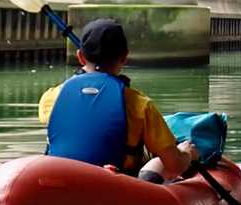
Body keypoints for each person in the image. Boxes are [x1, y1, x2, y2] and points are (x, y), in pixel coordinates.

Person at [38, 18, 194, 183]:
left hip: (61, 182)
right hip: (115, 186)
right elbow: (175, 165)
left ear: (80, 57)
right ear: (124, 57)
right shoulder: (140, 104)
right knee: (160, 160)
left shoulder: (51, 97)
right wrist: (187, 153)